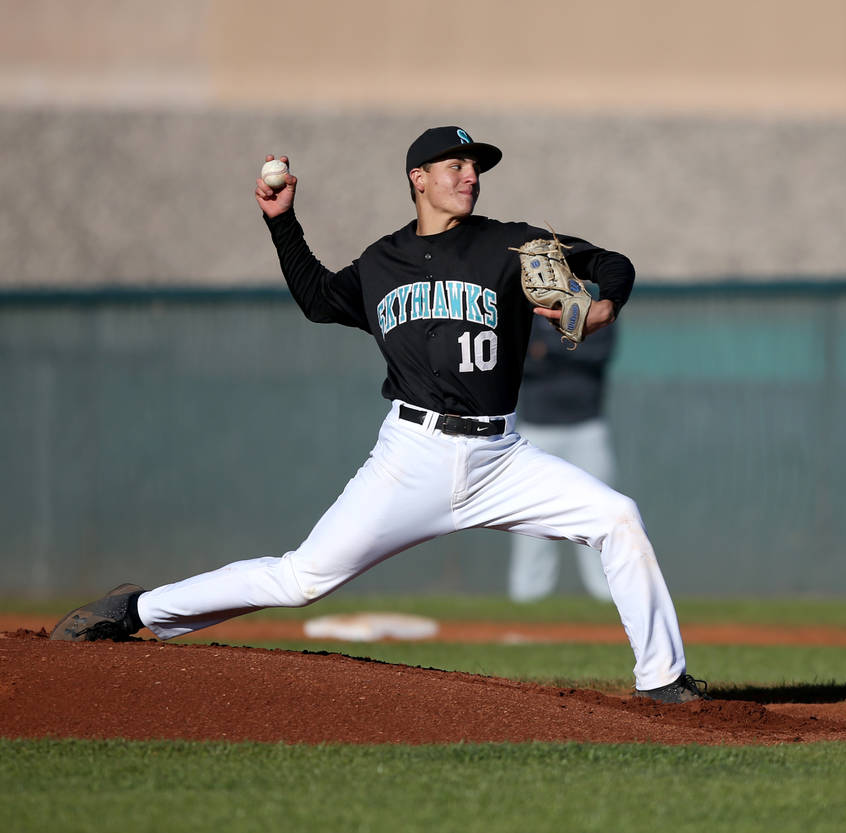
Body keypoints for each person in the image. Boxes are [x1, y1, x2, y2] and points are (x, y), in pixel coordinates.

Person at [50, 126, 707, 703]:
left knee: (618, 516)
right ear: (417, 179)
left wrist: (600, 306)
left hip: (500, 457)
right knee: (302, 577)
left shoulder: (515, 248)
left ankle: (661, 679)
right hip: (411, 456)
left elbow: (611, 263)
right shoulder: (382, 263)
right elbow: (316, 299)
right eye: (455, 164)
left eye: (475, 166)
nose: (469, 175)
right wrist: (283, 221)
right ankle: (135, 608)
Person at [509, 317, 617, 602]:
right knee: (531, 517)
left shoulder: (595, 308)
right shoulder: (528, 313)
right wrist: (572, 348)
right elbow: (519, 361)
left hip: (586, 427)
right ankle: (527, 595)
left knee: (598, 513)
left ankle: (607, 595)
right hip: (536, 428)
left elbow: (599, 354)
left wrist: (549, 350)